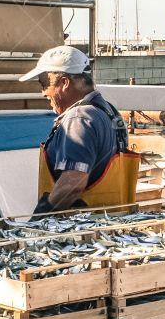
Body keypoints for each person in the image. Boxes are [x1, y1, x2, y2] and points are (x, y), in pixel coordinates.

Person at [19, 45, 139, 212]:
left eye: (44, 84)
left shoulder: (79, 118)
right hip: (111, 221)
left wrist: (40, 216)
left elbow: (74, 181)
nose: (43, 93)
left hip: (81, 228)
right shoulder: (108, 110)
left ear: (64, 83)